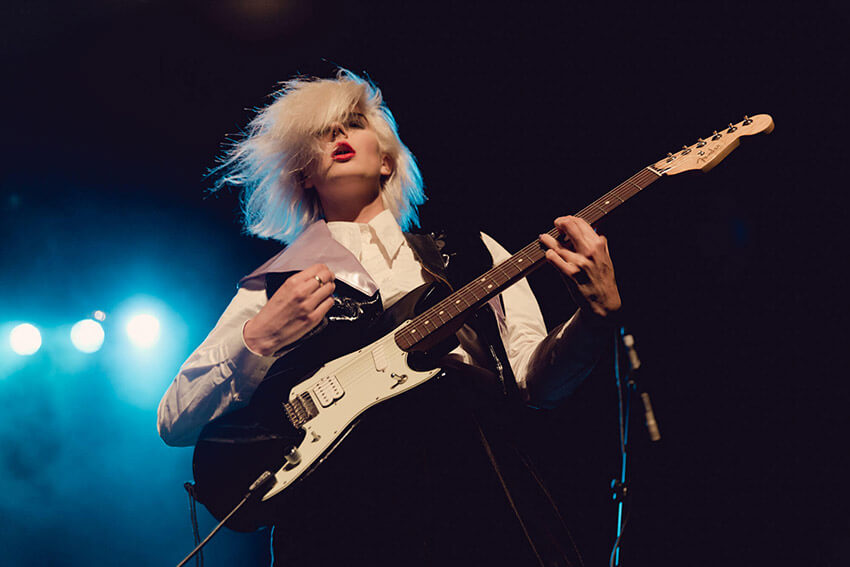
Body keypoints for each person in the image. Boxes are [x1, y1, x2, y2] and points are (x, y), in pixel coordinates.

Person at [158, 69, 621, 566]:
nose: (337, 135)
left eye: (353, 122)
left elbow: (534, 384)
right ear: (303, 173)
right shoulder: (280, 282)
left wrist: (593, 319)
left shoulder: (472, 252)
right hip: (340, 529)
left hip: (480, 507)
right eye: (321, 131)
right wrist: (258, 337)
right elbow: (173, 420)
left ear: (386, 159)